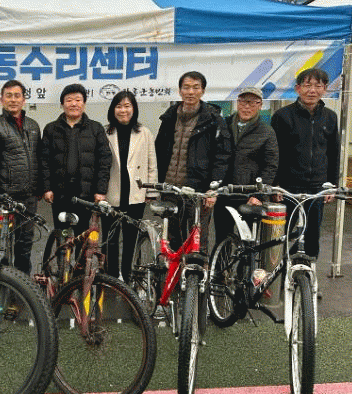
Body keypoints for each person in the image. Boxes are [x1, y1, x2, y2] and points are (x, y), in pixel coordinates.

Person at [155, 71, 231, 252]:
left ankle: (197, 271)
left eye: (196, 88)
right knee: (172, 240)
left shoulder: (214, 120)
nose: (190, 92)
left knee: (197, 241)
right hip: (170, 190)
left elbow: (222, 156)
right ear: (179, 91)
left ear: (203, 91)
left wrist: (213, 188)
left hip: (198, 191)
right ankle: (175, 271)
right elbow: (159, 150)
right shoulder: (169, 117)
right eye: (186, 87)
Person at [271, 68, 339, 260]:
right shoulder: (282, 116)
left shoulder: (330, 117)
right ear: (298, 88)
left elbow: (333, 153)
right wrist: (275, 184)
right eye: (308, 85)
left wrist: (332, 185)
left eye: (318, 86)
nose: (312, 90)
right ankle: (276, 271)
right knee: (280, 235)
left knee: (312, 236)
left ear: (325, 89)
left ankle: (308, 273)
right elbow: (274, 154)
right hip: (287, 187)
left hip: (317, 187)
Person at [0, 79, 41, 275]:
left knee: (25, 247)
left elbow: (38, 158)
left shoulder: (33, 126)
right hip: (5, 199)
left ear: (24, 100)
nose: (13, 100)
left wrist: (38, 188)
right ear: (1, 100)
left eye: (17, 96)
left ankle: (22, 285)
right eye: (9, 96)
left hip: (28, 198)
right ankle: (1, 286)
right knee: (1, 247)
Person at [41, 83, 112, 235]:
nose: (74, 104)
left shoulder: (96, 129)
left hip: (86, 194)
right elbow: (44, 161)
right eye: (69, 100)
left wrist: (100, 190)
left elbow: (104, 161)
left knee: (83, 234)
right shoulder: (51, 129)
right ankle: (62, 251)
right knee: (61, 234)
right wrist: (47, 188)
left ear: (84, 104)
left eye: (78, 100)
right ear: (62, 104)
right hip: (60, 193)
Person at [102, 90, 157, 282]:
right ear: (113, 110)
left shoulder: (144, 132)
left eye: (127, 106)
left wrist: (151, 190)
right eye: (119, 106)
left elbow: (152, 163)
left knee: (131, 237)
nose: (123, 110)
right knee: (110, 238)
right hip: (111, 193)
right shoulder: (105, 132)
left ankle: (128, 275)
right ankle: (111, 276)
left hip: (136, 193)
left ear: (134, 109)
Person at [215, 87, 279, 243]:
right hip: (224, 193)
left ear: (260, 105)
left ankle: (246, 260)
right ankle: (222, 260)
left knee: (248, 242)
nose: (247, 107)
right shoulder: (224, 124)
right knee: (222, 239)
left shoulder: (266, 131)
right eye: (243, 102)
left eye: (252, 103)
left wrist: (258, 195)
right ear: (237, 103)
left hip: (249, 195)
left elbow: (270, 165)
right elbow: (214, 156)